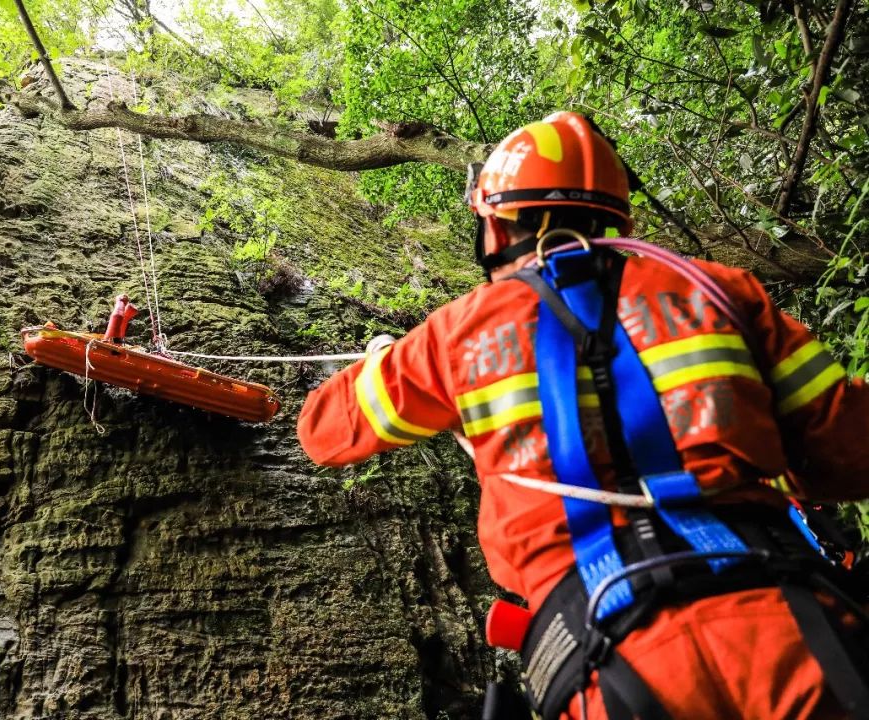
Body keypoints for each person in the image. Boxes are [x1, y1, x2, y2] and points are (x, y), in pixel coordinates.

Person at [297, 111, 869, 719]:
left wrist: (384, 360)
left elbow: (322, 432)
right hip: (793, 627)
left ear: (497, 224)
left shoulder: (454, 335)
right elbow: (852, 455)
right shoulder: (722, 292)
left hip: (606, 668)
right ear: (616, 216)